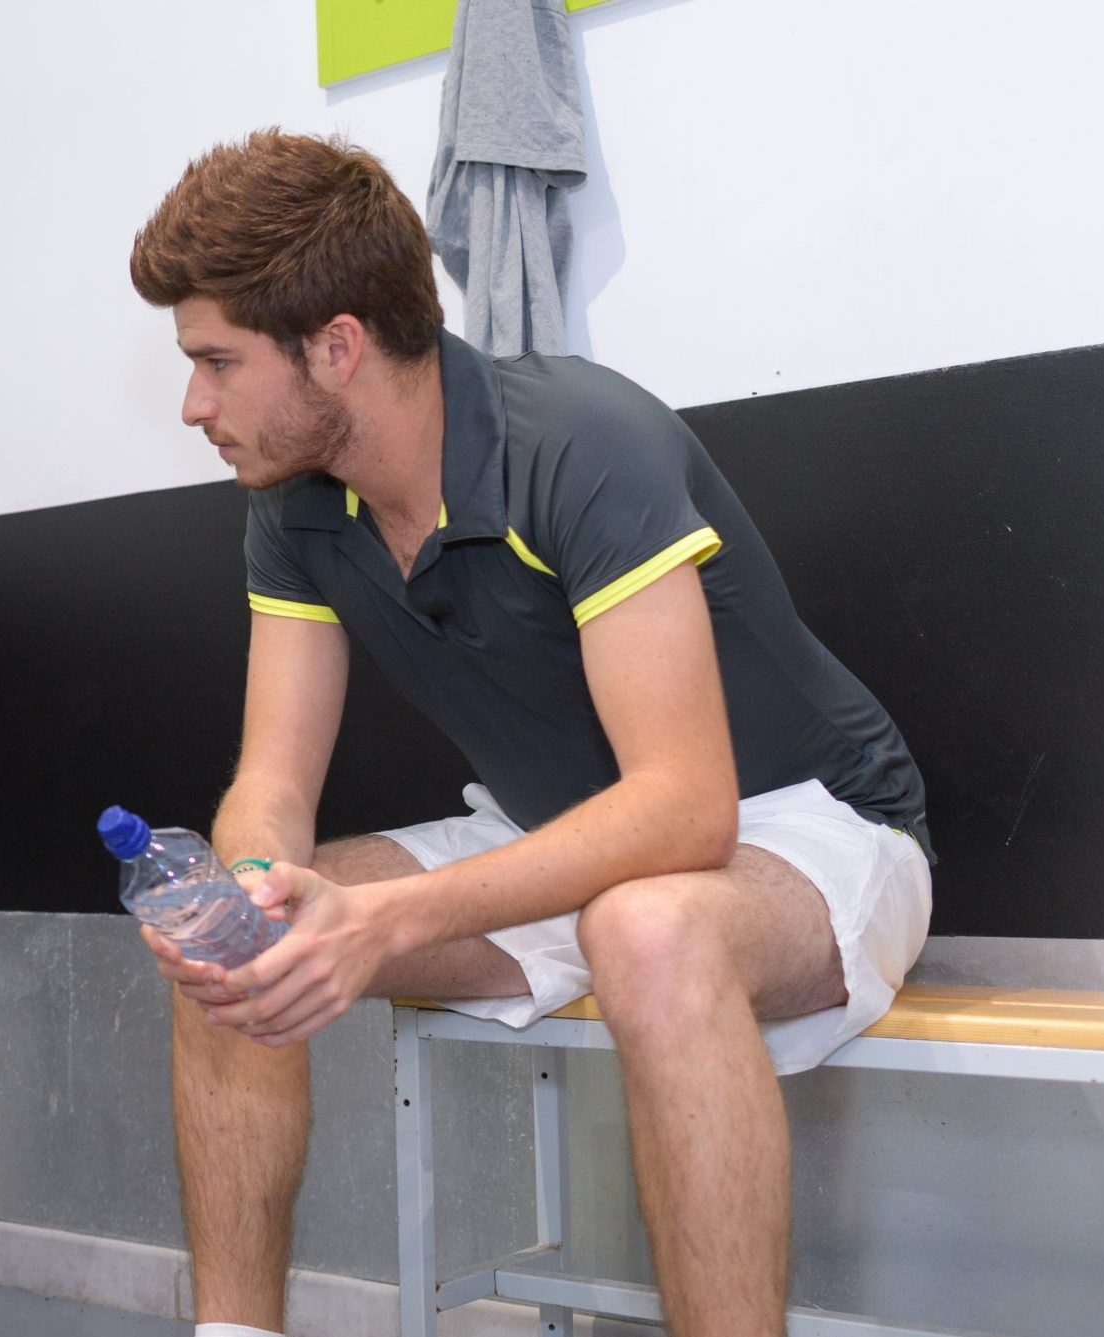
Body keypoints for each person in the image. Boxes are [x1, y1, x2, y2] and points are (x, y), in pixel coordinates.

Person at [128, 131, 931, 1337]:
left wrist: (388, 915)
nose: (194, 403)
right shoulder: (291, 505)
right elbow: (271, 780)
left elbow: (683, 810)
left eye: (216, 362)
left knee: (649, 927)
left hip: (800, 829)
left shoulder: (581, 439)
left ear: (335, 346)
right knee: (231, 938)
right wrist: (249, 890)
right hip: (557, 837)